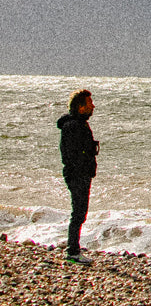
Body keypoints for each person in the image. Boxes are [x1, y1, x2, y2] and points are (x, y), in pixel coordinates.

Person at [56, 89, 99, 264]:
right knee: (78, 213)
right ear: (81, 107)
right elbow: (71, 154)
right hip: (77, 175)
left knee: (80, 212)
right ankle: (72, 251)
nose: (93, 106)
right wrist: (82, 168)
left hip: (80, 173)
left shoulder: (78, 124)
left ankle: (73, 249)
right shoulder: (73, 126)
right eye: (89, 103)